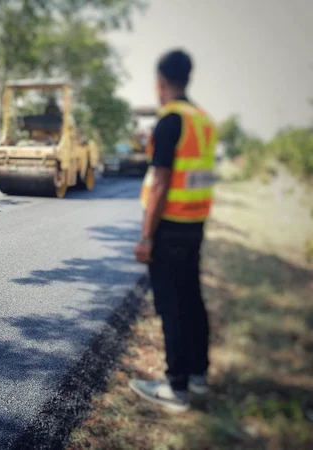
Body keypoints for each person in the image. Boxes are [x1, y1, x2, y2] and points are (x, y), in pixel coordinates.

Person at [131, 49, 218, 413]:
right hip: (195, 225)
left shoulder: (170, 121)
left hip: (169, 230)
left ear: (161, 81)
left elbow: (161, 182)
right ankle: (197, 376)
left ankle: (175, 387)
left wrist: (147, 237)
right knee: (192, 300)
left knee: (171, 307)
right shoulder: (204, 120)